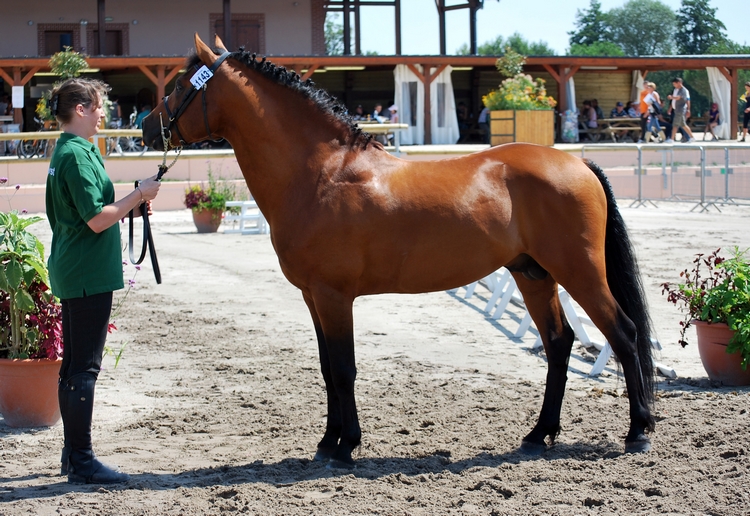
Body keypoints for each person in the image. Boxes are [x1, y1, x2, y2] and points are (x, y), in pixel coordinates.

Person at [46, 78, 161, 484]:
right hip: (86, 271)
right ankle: (81, 460)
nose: (102, 114)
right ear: (80, 110)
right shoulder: (77, 155)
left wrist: (133, 198)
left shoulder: (70, 150)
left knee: (74, 366)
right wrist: (140, 195)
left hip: (78, 266)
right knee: (84, 369)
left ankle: (72, 455)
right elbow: (97, 219)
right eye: (97, 107)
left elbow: (91, 213)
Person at [666, 77, 695, 143]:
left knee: (675, 124)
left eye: (675, 84)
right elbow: (674, 100)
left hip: (680, 109)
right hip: (676, 109)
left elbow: (679, 98)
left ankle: (672, 139)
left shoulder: (683, 90)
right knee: (683, 125)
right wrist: (670, 108)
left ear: (679, 83)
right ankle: (692, 137)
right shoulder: (675, 90)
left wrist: (688, 109)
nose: (674, 85)